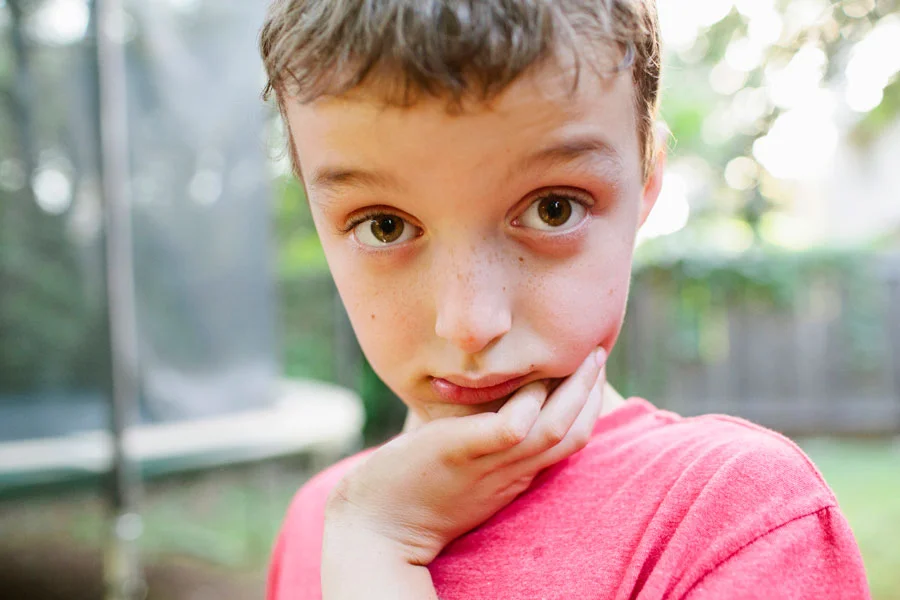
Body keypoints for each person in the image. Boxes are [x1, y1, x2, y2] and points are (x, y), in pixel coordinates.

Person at [259, 1, 870, 598]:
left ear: (646, 183)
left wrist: (376, 551)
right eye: (383, 225)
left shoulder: (733, 518)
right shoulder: (321, 520)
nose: (471, 323)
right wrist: (365, 532)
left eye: (554, 208)